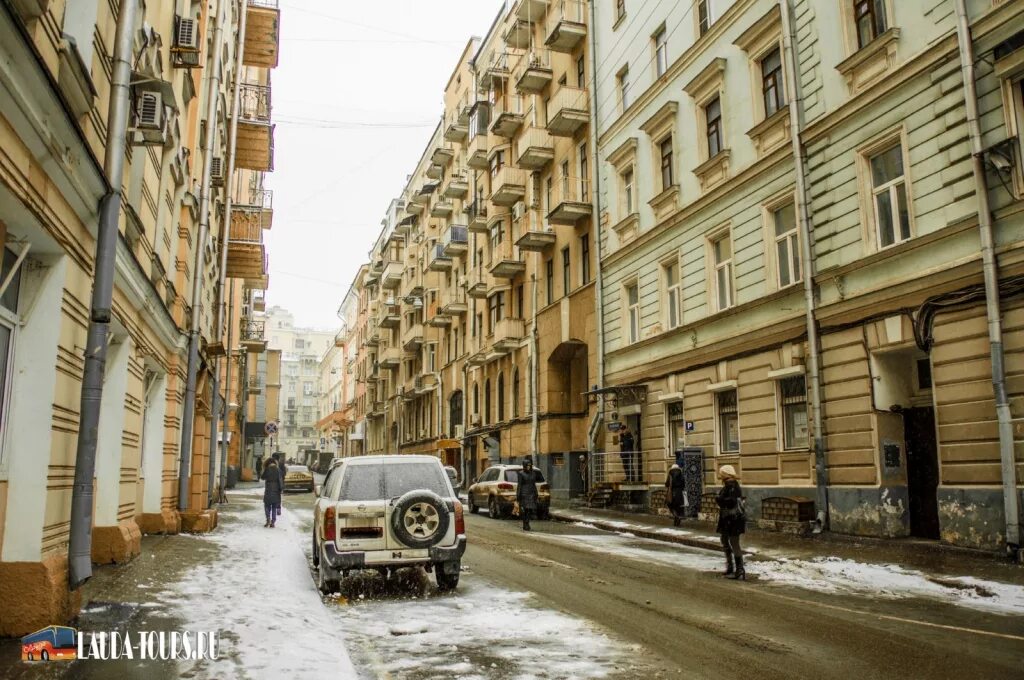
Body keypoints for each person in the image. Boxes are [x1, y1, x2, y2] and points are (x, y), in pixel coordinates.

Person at [715, 464, 746, 580]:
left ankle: (739, 570)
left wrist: (719, 499)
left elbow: (731, 502)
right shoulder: (729, 485)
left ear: (725, 474)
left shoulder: (731, 485)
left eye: (721, 472)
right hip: (729, 519)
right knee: (724, 540)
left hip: (732, 519)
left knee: (734, 542)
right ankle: (730, 567)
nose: (720, 474)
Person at [516, 456, 543, 531]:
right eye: (527, 465)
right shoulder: (521, 474)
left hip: (531, 493)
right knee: (525, 510)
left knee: (530, 510)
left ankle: (527, 522)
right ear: (524, 466)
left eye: (529, 465)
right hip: (524, 494)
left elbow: (534, 484)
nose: (528, 467)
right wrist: (518, 496)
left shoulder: (533, 474)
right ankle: (525, 524)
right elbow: (519, 485)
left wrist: (536, 493)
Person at [261, 457, 283, 527]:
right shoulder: (278, 469)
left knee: (267, 505)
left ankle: (268, 519)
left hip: (268, 490)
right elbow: (280, 480)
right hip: (276, 490)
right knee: (274, 506)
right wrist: (281, 489)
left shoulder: (267, 469)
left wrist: (265, 471)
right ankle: (273, 522)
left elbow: (262, 477)